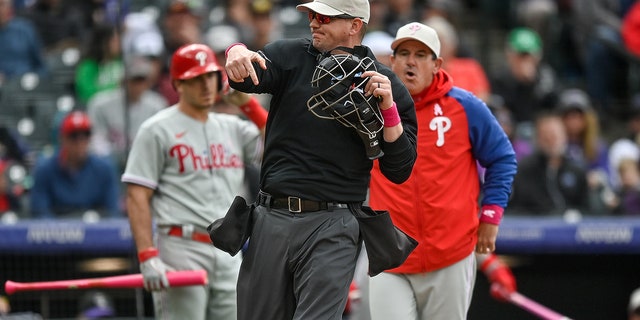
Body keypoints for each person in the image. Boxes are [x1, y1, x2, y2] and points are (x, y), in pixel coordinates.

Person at [223, 0, 418, 318]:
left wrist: (389, 111)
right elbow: (243, 77)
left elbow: (400, 170)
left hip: (333, 222)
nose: (314, 22)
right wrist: (236, 51)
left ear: (355, 25)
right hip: (272, 214)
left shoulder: (384, 83)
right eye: (312, 15)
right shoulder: (291, 55)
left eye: (324, 17)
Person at [367, 22, 517, 320]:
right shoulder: (367, 109)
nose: (411, 61)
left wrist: (491, 214)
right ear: (391, 60)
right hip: (390, 257)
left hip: (450, 255)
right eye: (404, 53)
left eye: (421, 55)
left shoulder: (465, 106)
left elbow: (502, 158)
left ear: (437, 64)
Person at [122, 43, 266, 320]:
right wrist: (147, 254)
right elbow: (137, 194)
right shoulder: (156, 128)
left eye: (210, 76)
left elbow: (281, 142)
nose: (205, 85)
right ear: (177, 83)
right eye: (195, 78)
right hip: (181, 248)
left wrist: (247, 104)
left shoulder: (232, 127)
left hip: (228, 249)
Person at [29, 111, 121, 219]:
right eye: (74, 136)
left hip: (95, 232)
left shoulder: (104, 169)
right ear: (62, 138)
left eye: (85, 135)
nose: (80, 142)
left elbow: (113, 213)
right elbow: (40, 214)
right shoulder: (44, 169)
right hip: (56, 233)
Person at [87, 55, 168, 171]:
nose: (139, 85)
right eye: (135, 80)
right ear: (123, 81)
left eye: (142, 80)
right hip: (110, 165)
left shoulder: (157, 105)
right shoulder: (100, 104)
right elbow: (95, 141)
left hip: (144, 165)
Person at [508, 112, 592, 216]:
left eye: (554, 136)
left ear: (564, 136)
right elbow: (514, 208)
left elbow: (589, 209)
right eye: (546, 137)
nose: (551, 141)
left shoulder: (576, 170)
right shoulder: (524, 170)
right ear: (538, 139)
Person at [490, 27, 558, 125]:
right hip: (512, 130)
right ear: (510, 56)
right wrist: (519, 83)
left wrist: (531, 83)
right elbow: (501, 106)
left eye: (528, 55)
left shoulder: (546, 76)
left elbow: (551, 105)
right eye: (520, 55)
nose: (524, 60)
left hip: (539, 129)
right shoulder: (499, 78)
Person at [0, 0, 48, 80]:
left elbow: (40, 63)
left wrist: (37, 78)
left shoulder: (25, 29)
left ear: (9, 8)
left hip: (27, 81)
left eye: (2, 5)